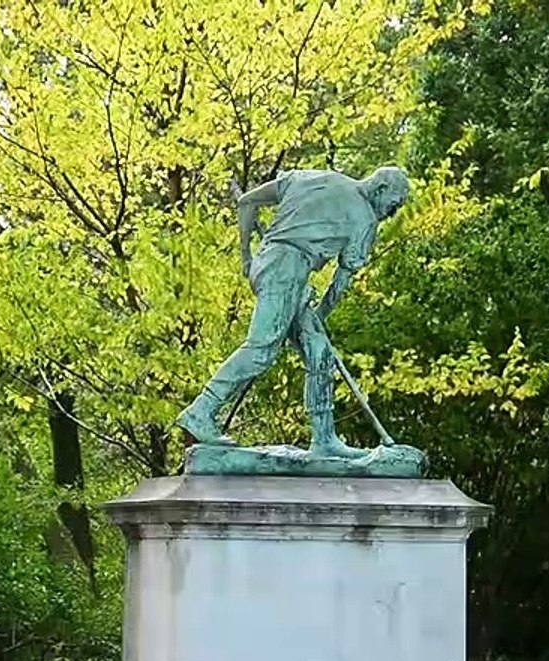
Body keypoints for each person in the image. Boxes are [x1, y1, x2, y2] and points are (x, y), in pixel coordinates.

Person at [175, 166, 410, 458]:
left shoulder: (309, 177)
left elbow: (247, 201)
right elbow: (341, 282)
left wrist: (247, 258)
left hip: (270, 263)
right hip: (287, 271)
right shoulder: (365, 219)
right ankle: (201, 410)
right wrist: (319, 314)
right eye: (395, 204)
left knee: (319, 352)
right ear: (381, 189)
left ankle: (324, 439)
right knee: (261, 349)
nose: (393, 213)